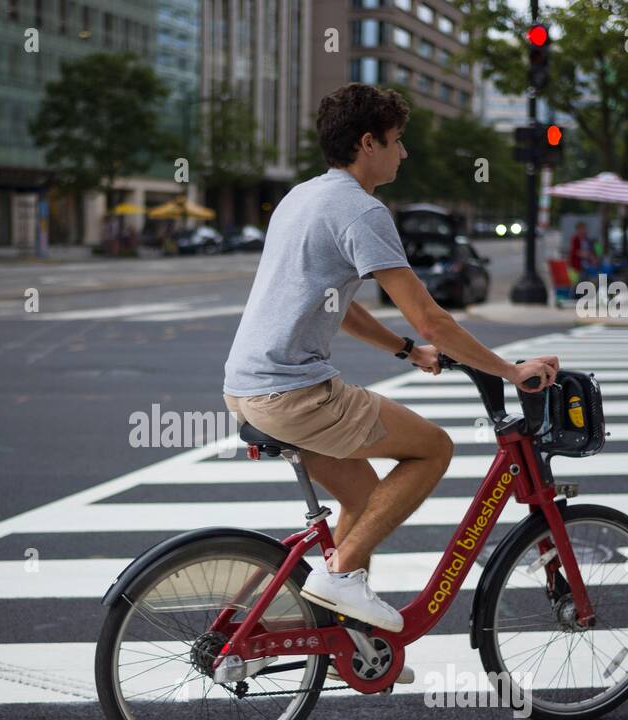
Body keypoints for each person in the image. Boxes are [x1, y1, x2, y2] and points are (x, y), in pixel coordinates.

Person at [221, 83, 558, 634]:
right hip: (294, 393)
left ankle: (302, 632)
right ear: (367, 142)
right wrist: (510, 371)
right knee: (433, 448)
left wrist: (406, 350)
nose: (404, 153)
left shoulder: (300, 197)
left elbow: (338, 304)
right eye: (398, 141)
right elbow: (433, 318)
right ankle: (341, 576)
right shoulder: (362, 211)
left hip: (246, 387)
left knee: (362, 500)